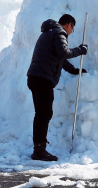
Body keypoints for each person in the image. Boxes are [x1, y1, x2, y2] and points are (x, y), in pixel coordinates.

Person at [26, 14, 88, 161]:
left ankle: (39, 148)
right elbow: (64, 52)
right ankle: (39, 150)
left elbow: (59, 58)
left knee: (41, 113)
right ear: (69, 25)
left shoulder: (49, 33)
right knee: (44, 114)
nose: (72, 32)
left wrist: (73, 70)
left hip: (35, 77)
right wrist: (80, 50)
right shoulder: (59, 32)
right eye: (72, 29)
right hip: (42, 78)